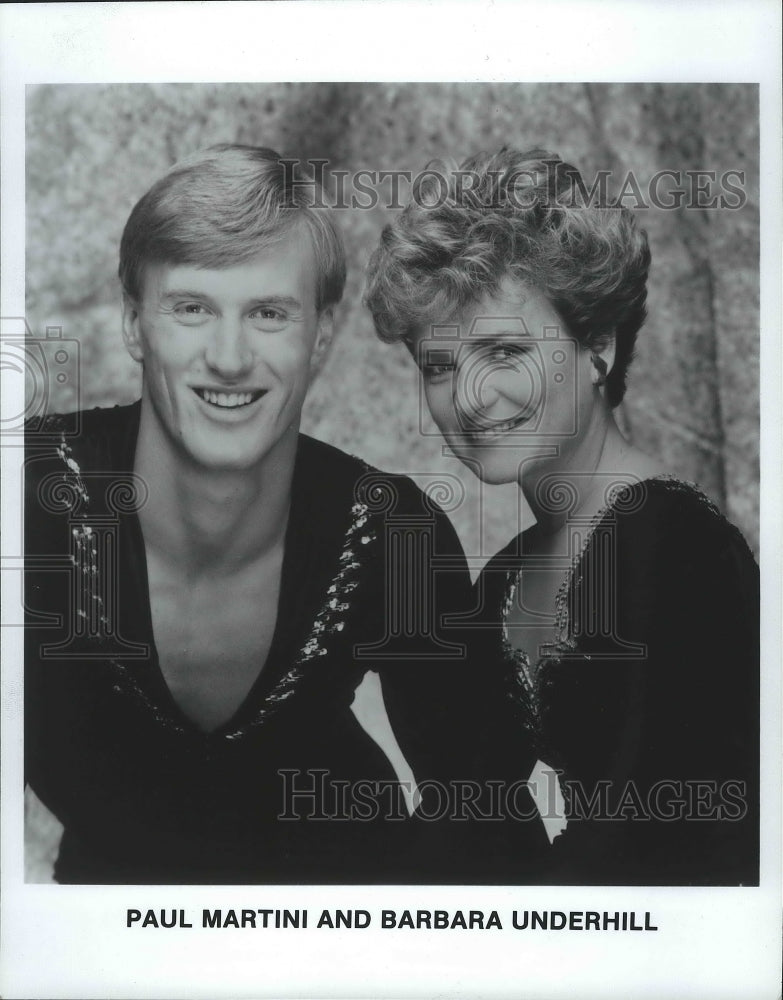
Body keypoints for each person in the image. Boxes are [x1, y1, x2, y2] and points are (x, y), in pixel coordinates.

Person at [24, 144, 548, 884]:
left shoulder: (390, 530)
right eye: (192, 309)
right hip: (114, 942)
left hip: (336, 934)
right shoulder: (28, 496)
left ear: (321, 337)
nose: (230, 357)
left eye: (269, 312)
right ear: (135, 325)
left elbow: (487, 816)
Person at [365, 147, 759, 885]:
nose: (470, 399)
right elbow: (472, 823)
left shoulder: (676, 549)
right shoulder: (505, 576)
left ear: (597, 347)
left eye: (504, 351)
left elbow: (694, 860)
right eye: (438, 366)